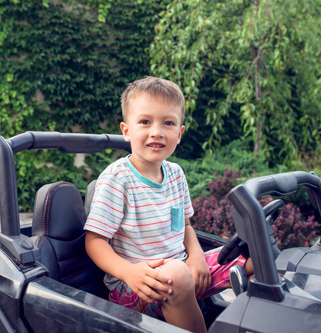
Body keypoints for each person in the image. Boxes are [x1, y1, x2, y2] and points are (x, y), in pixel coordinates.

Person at [84, 76, 253, 333]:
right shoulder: (117, 179)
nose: (157, 132)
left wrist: (196, 257)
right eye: (145, 122)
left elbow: (184, 226)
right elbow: (94, 242)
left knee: (255, 260)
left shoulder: (175, 174)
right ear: (126, 130)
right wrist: (129, 273)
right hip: (135, 285)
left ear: (179, 133)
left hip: (180, 268)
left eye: (168, 123)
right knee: (175, 273)